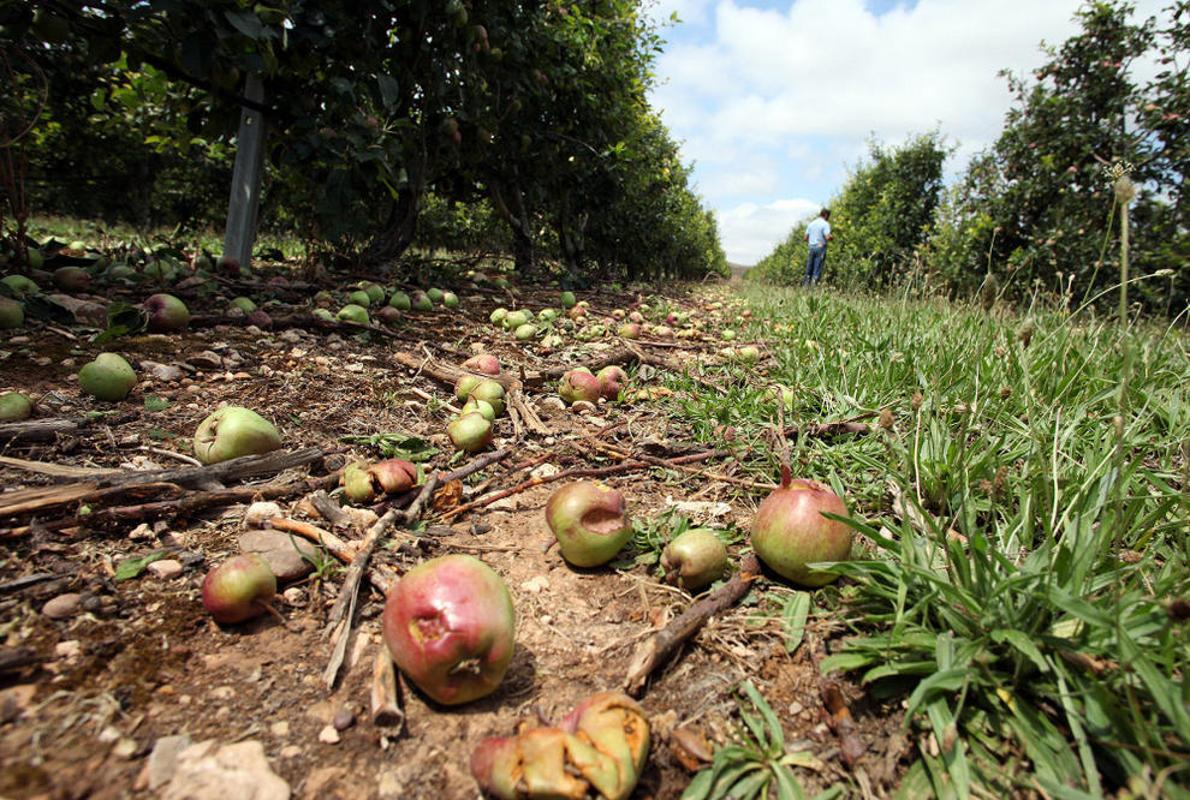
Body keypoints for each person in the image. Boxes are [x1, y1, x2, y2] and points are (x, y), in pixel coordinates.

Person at [802, 208, 832, 287]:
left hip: (811, 248)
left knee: (809, 268)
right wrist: (831, 237)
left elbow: (805, 238)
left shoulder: (811, 224)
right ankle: (813, 289)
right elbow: (827, 237)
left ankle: (805, 287)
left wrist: (812, 242)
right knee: (817, 269)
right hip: (820, 248)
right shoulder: (825, 224)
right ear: (826, 215)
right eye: (828, 216)